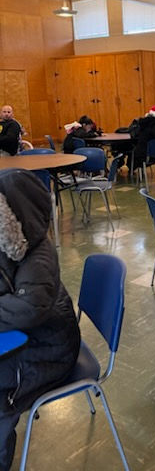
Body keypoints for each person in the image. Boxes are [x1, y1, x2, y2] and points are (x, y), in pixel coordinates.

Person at [0, 169, 80, 470]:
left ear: (16, 215)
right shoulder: (16, 245)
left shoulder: (38, 257)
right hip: (31, 339)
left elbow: (29, 307)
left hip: (50, 351)